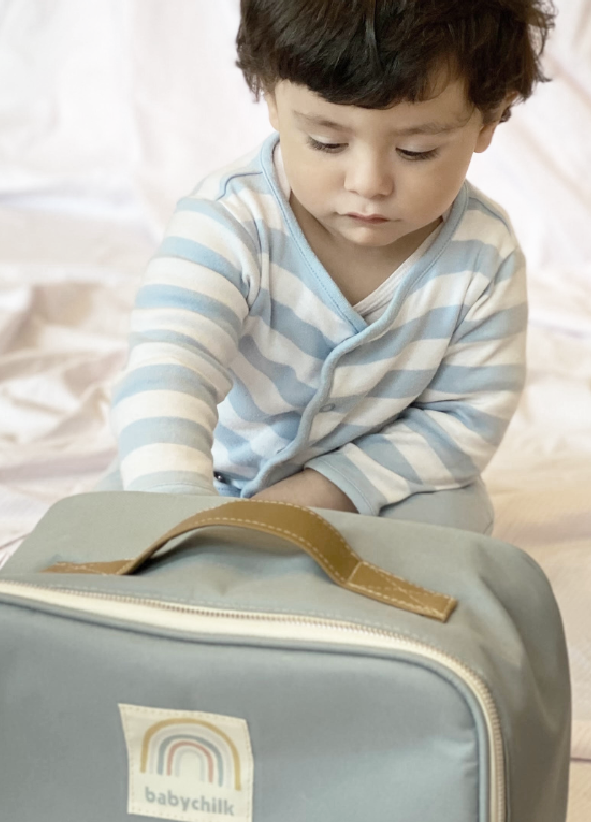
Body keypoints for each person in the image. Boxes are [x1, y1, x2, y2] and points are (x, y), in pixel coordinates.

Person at [107, 0, 553, 533]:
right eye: (328, 142)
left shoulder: (484, 255)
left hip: (363, 488)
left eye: (416, 150)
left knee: (457, 515)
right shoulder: (230, 224)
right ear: (271, 97)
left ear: (490, 119)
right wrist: (178, 514)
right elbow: (168, 375)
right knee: (113, 511)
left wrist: (317, 494)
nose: (368, 183)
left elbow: (463, 421)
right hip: (211, 474)